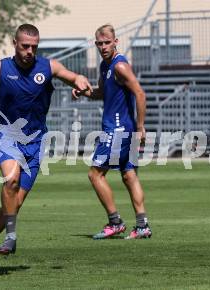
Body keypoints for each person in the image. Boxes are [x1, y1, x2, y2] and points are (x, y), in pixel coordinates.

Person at [0, 24, 92, 255]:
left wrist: (79, 80)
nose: (29, 51)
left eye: (34, 47)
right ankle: (11, 236)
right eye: (25, 46)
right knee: (11, 181)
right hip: (8, 135)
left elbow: (73, 77)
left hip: (36, 143)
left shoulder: (48, 67)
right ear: (14, 43)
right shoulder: (0, 67)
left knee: (13, 204)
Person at [72, 24, 152, 240]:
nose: (103, 47)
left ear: (116, 42)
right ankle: (142, 225)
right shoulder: (104, 66)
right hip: (123, 129)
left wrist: (141, 126)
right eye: (99, 43)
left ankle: (115, 221)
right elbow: (102, 93)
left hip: (118, 129)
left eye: (107, 42)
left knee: (95, 174)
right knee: (129, 175)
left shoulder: (120, 66)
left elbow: (140, 94)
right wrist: (84, 92)